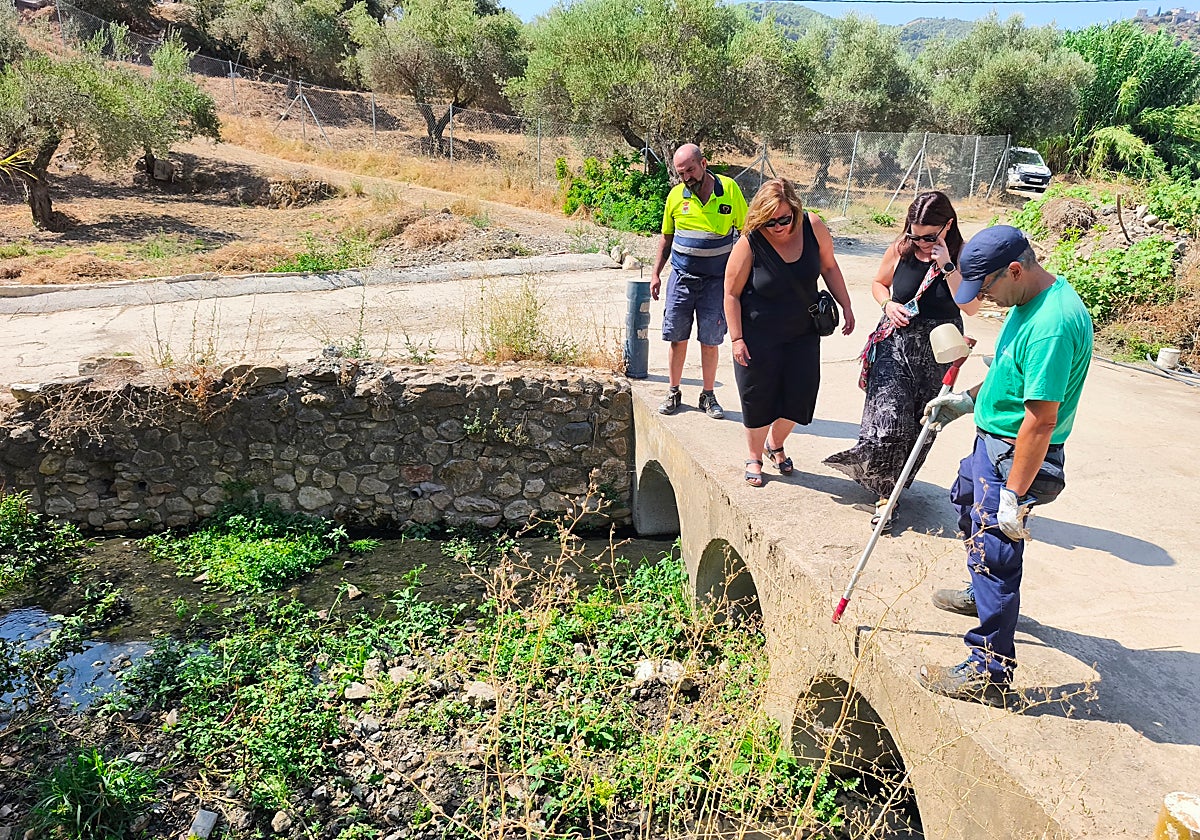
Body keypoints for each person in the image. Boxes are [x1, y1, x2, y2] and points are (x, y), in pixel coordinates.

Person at [918, 225, 1093, 706]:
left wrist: (1013, 496)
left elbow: (1040, 420)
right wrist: (967, 400)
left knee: (995, 554)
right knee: (965, 501)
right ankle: (980, 592)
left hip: (1015, 454)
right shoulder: (1028, 301)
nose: (986, 299)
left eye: (987, 288)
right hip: (991, 444)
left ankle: (988, 672)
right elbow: (1009, 375)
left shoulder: (1052, 325)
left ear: (1015, 270)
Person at [824, 191, 979, 532]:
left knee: (920, 424)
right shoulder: (901, 247)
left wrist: (947, 265)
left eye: (929, 236)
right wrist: (888, 305)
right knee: (888, 420)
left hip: (938, 350)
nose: (921, 242)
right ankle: (885, 497)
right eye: (914, 234)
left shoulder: (964, 255)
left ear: (948, 225)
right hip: (894, 343)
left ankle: (891, 488)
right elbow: (879, 284)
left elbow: (970, 307)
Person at [723, 178, 855, 487]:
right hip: (758, 335)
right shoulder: (751, 242)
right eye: (770, 222)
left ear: (795, 208)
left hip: (802, 332)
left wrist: (846, 305)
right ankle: (754, 456)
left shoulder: (812, 226)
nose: (779, 227)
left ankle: (775, 443)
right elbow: (730, 293)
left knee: (801, 396)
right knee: (758, 397)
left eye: (784, 219)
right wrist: (737, 338)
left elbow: (829, 267)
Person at [651, 144, 748, 419]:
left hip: (716, 283)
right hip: (681, 279)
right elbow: (667, 238)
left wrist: (744, 276)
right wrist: (656, 273)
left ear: (704, 164)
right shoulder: (675, 196)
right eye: (681, 173)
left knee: (710, 340)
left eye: (690, 170)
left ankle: (708, 395)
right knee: (677, 338)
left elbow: (746, 234)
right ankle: (673, 392)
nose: (687, 178)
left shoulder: (729, 190)